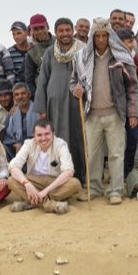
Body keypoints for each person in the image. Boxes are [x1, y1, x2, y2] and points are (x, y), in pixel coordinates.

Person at [71, 18, 138, 205]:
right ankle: (93, 188)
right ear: (92, 36)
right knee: (92, 155)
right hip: (91, 115)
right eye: (98, 36)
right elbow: (74, 82)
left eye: (104, 35)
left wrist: (133, 113)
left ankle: (115, 190)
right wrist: (76, 90)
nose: (101, 39)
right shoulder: (81, 57)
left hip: (115, 114)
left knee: (117, 154)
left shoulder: (121, 57)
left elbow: (133, 87)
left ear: (110, 36)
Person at [34, 17, 86, 180]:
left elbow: (89, 76)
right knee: (57, 139)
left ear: (73, 31)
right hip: (54, 104)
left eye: (68, 30)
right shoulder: (50, 52)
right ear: (56, 33)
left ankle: (79, 176)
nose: (65, 34)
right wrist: (41, 108)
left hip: (76, 102)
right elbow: (43, 79)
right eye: (61, 31)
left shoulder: (83, 50)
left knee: (78, 138)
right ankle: (58, 176)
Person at [6, 120, 81, 214]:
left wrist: (45, 191)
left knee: (75, 184)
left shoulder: (61, 144)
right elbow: (13, 166)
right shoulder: (29, 144)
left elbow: (68, 171)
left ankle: (31, 203)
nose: (43, 138)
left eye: (47, 134)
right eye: (39, 135)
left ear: (53, 134)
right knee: (11, 181)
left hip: (54, 182)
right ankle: (50, 205)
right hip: (33, 181)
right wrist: (27, 184)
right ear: (34, 135)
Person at [3, 83, 40, 156]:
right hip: (16, 149)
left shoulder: (39, 112)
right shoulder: (11, 114)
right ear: (14, 98)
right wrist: (15, 143)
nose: (20, 97)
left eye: (23, 94)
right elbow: (5, 135)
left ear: (29, 95)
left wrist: (25, 145)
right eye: (16, 95)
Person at [23, 14, 53, 94]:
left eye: (42, 28)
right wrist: (38, 97)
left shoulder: (59, 42)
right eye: (36, 29)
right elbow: (29, 80)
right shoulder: (31, 52)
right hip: (44, 93)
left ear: (48, 27)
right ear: (31, 31)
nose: (40, 31)